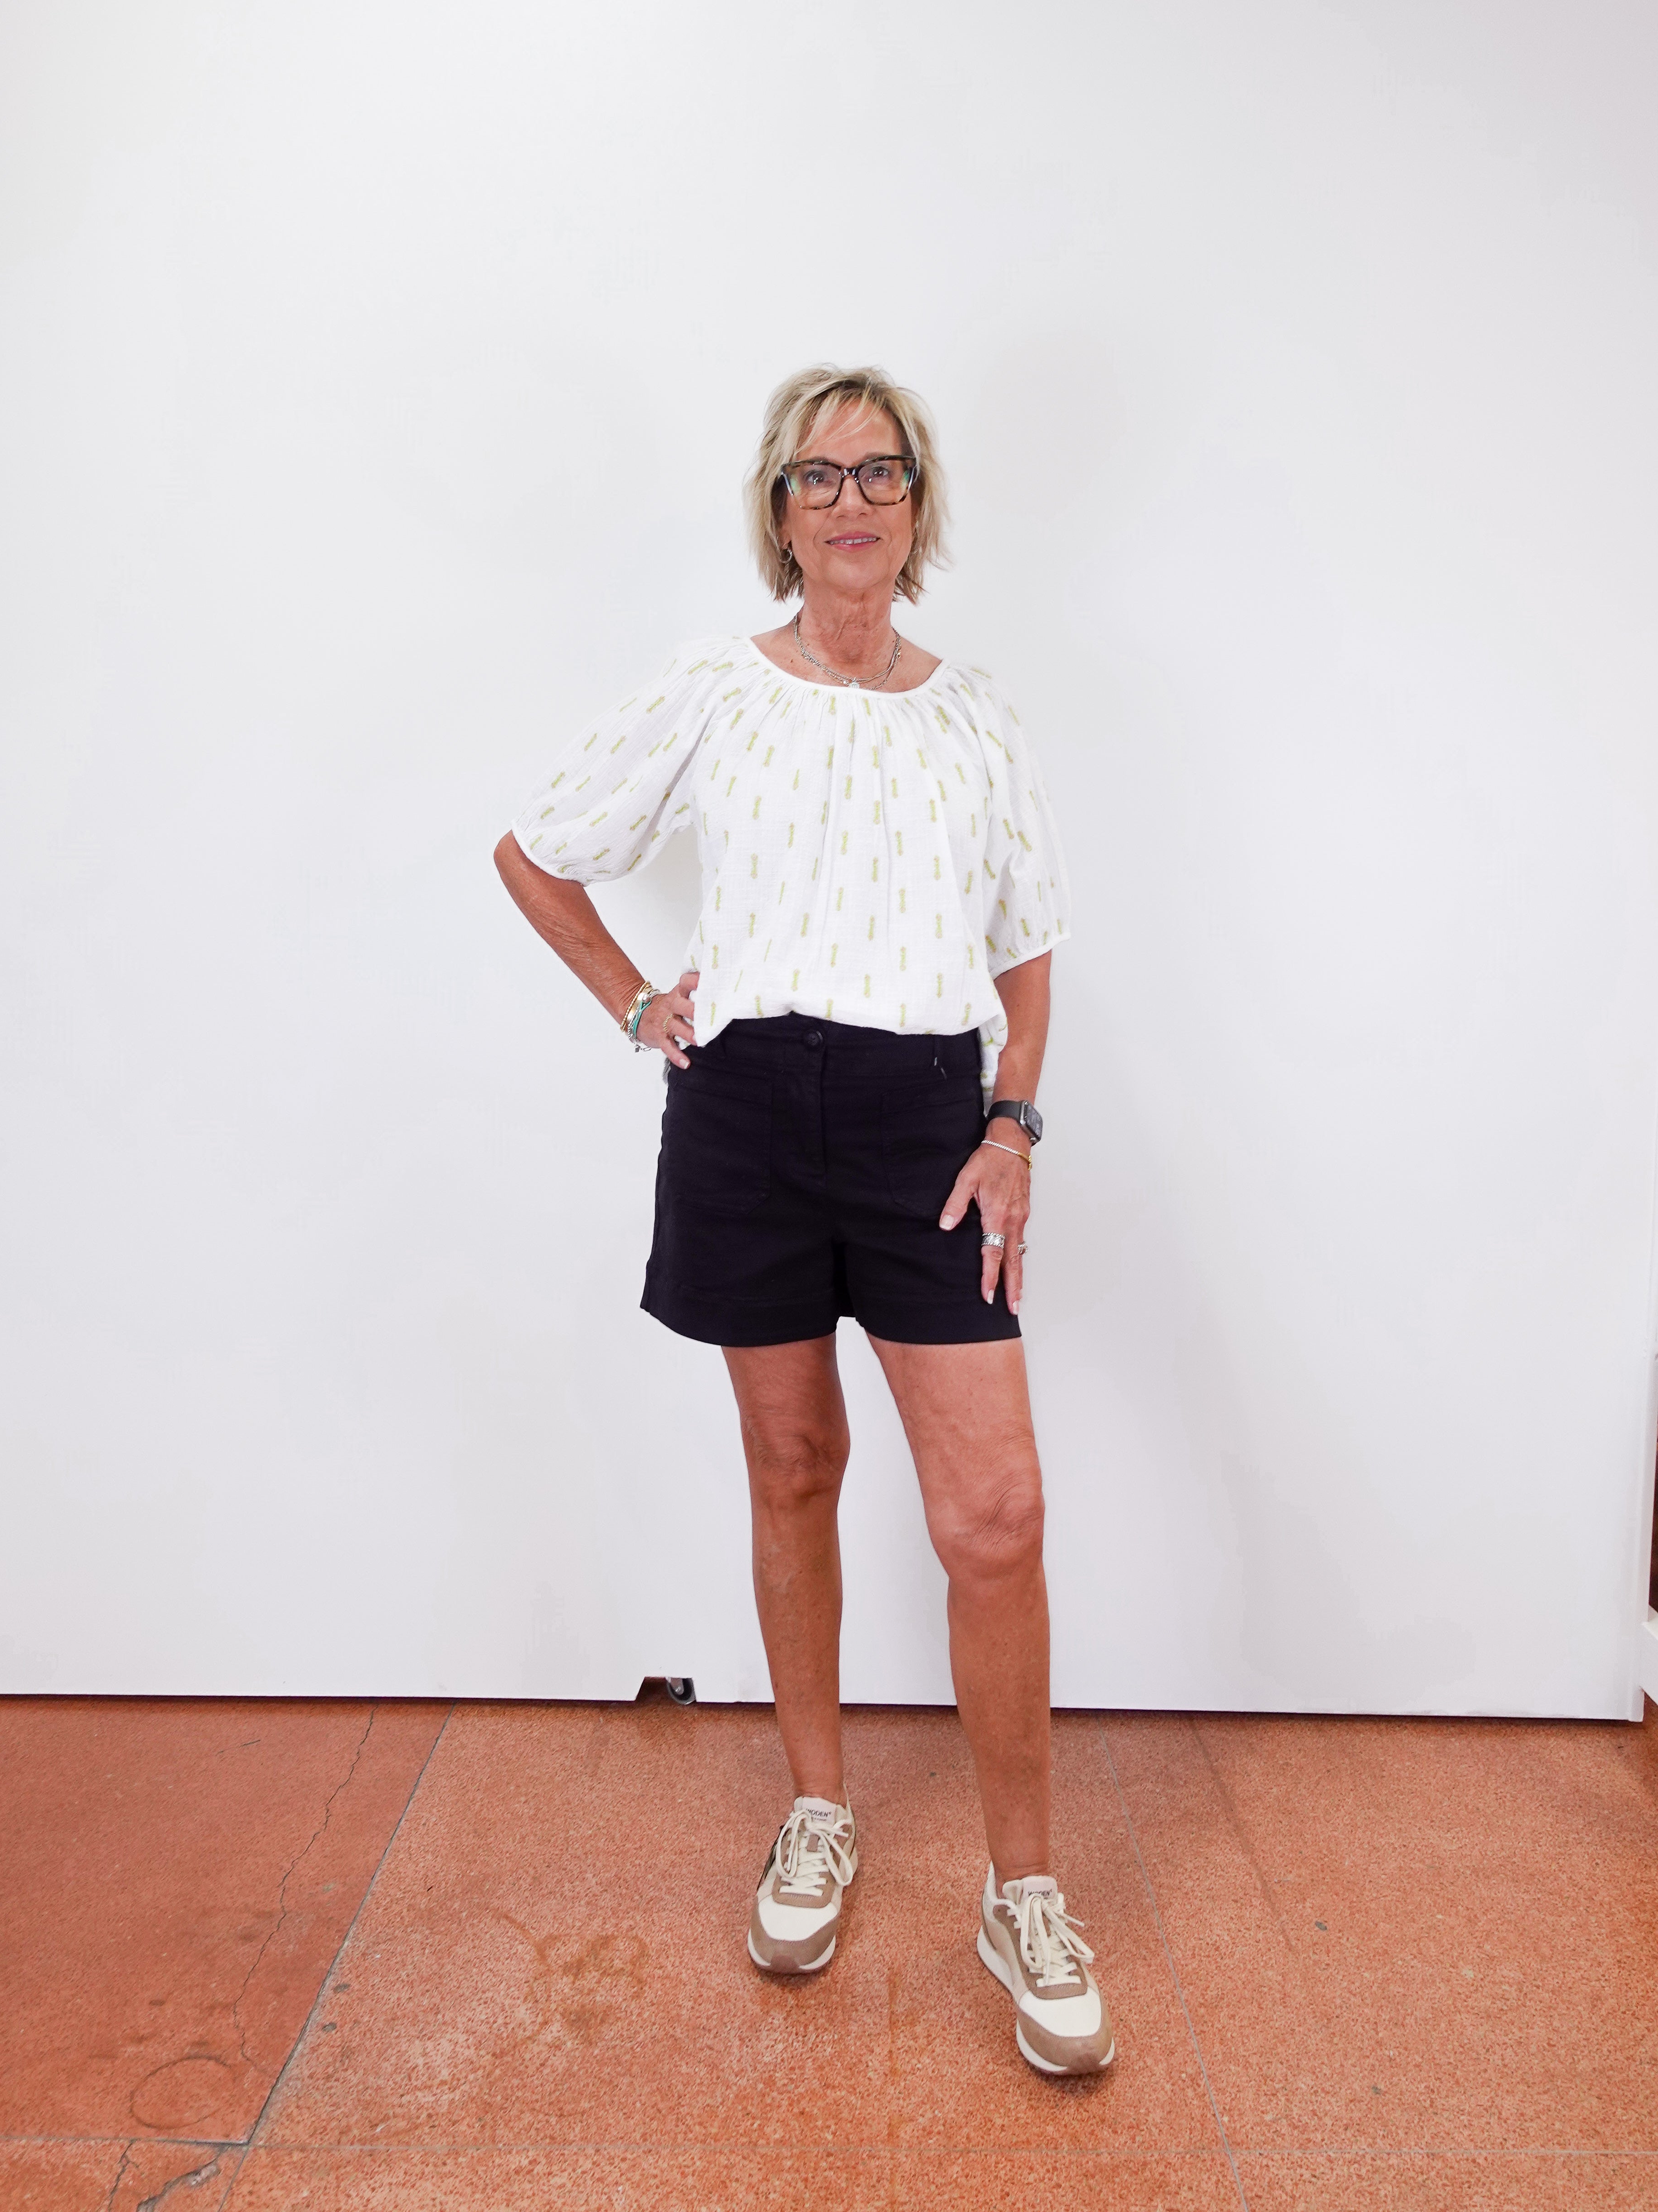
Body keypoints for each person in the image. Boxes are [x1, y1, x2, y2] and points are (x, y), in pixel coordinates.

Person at [494, 364, 1110, 2076]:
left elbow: (1029, 947)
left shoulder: (976, 714)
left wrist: (1011, 1119)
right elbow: (538, 852)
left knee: (994, 1511)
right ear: (779, 512)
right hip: (752, 1108)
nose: (852, 500)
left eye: (882, 472)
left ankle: (1024, 1889)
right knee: (793, 1468)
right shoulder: (715, 689)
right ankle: (821, 1808)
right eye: (818, 475)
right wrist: (638, 1004)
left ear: (922, 509)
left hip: (929, 1120)